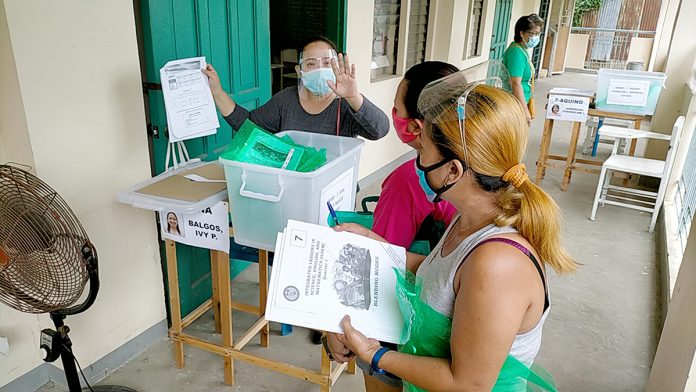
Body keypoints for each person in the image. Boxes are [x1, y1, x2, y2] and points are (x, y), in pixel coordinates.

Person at [327, 78, 577, 391]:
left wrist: (374, 354)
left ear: (453, 171)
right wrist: (378, 247)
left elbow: (468, 384)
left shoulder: (497, 263)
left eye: (424, 150)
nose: (418, 159)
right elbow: (440, 277)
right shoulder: (471, 219)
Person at [203, 36, 389, 139]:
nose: (319, 69)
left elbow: (380, 130)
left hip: (336, 191)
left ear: (337, 66)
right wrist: (217, 92)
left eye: (326, 62)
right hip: (295, 188)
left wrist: (353, 96)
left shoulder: (347, 104)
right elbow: (247, 125)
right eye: (310, 64)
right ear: (299, 71)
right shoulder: (286, 100)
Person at [373, 61, 459, 251]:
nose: (394, 113)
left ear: (414, 127)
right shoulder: (483, 161)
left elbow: (384, 256)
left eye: (397, 108)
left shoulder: (407, 181)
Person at [503, 14, 544, 126]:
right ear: (522, 33)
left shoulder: (522, 50)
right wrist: (525, 111)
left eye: (538, 33)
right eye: (533, 33)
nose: (536, 37)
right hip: (515, 105)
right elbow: (515, 83)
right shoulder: (516, 52)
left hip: (520, 102)